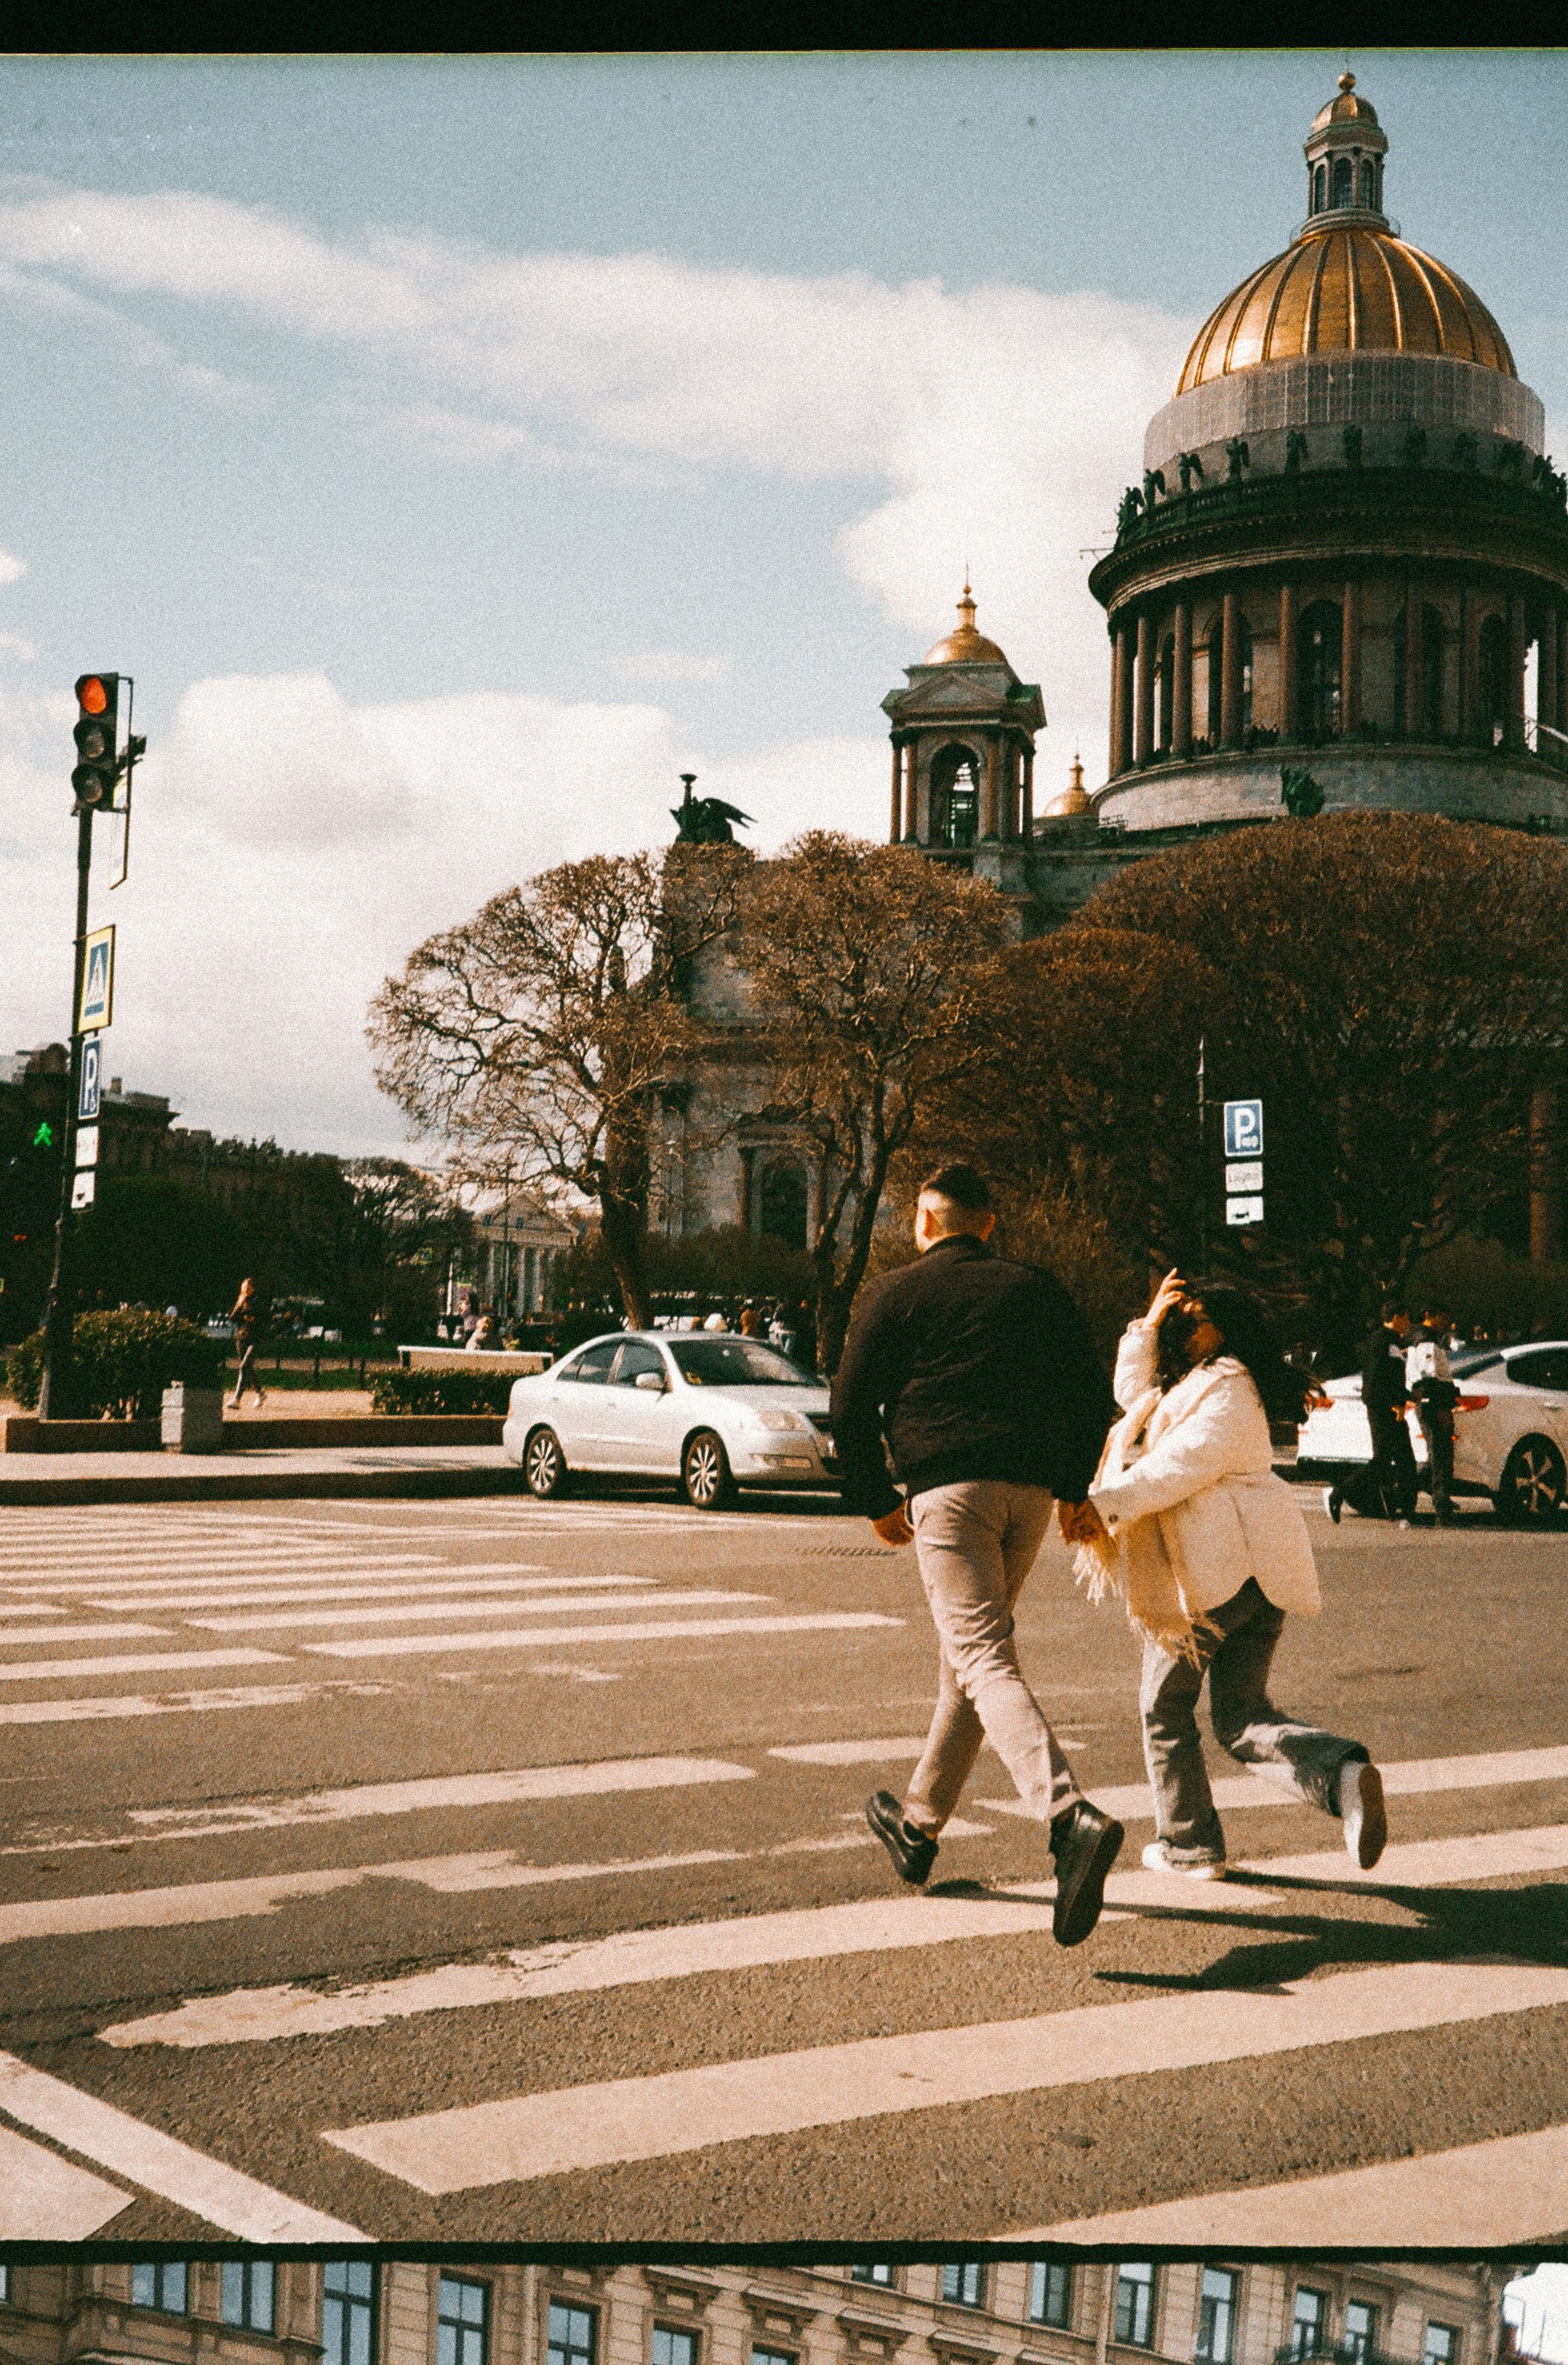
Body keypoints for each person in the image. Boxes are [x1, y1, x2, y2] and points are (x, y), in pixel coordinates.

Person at [830, 1160, 1125, 1947]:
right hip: (1028, 1494)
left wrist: (875, 1498)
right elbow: (1093, 1398)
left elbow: (848, 1405)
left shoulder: (892, 1293)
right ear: (989, 1223)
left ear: (921, 1223)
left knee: (982, 1655)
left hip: (946, 1490)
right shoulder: (1036, 1288)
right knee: (971, 1656)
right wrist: (1068, 1485)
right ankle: (919, 1824)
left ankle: (1067, 1819)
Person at [1070, 1269, 1387, 1880]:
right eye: (1180, 1317)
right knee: (1241, 1717)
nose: (1184, 1326)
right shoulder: (1193, 1381)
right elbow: (1130, 1391)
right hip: (1254, 1577)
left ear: (1225, 1327)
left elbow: (1179, 1467)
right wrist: (1149, 1321)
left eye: (1194, 1316)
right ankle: (1344, 1779)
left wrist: (1104, 1507)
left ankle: (1190, 1845)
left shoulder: (1230, 1385)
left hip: (1219, 1575)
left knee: (1163, 1709)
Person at [1327, 1300, 1416, 1526]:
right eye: (1406, 1317)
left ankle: (1404, 1510)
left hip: (1391, 1407)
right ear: (1396, 1317)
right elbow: (1377, 1380)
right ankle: (1339, 1493)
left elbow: (1392, 1376)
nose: (1409, 1323)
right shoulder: (1381, 1341)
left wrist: (1401, 1398)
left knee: (1403, 1461)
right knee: (1383, 1461)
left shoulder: (1393, 1342)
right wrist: (1401, 1398)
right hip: (1382, 1408)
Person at [1407, 1307, 1459, 1524]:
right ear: (1429, 1315)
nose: (1445, 1322)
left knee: (1437, 1454)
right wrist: (1442, 1406)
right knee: (1440, 1454)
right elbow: (1428, 1378)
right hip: (1433, 1403)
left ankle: (1412, 1490)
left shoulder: (1426, 1339)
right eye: (1442, 1317)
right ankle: (1441, 1505)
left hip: (1433, 1402)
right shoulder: (1427, 1342)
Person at [227, 1278, 265, 1410]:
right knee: (247, 1368)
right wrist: (241, 1304)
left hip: (256, 1338)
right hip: (242, 1338)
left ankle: (237, 1399)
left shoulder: (259, 1302)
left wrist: (251, 1318)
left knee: (244, 1366)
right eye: (244, 1287)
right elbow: (233, 1317)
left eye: (248, 1287)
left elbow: (264, 1318)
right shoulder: (242, 1301)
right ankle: (260, 1393)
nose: (245, 1289)